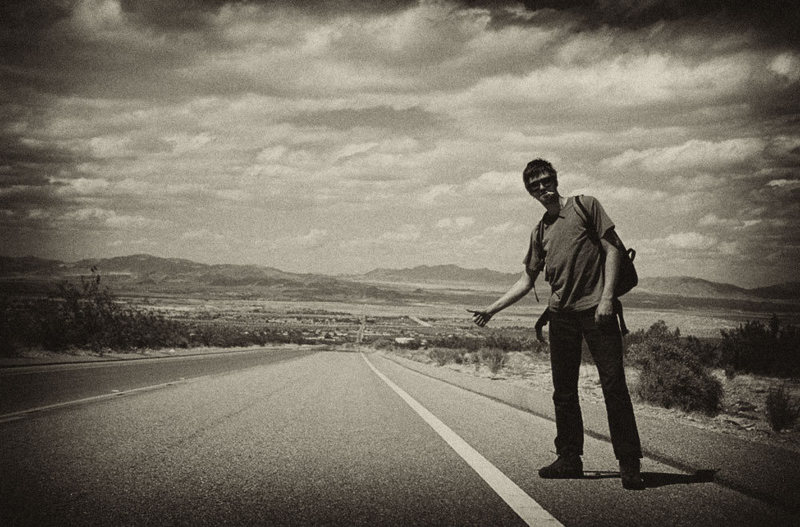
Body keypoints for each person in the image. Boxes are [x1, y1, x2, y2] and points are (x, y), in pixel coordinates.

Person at [468, 158, 645, 490]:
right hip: (561, 316)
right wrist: (492, 310)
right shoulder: (540, 231)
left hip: (598, 311)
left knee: (614, 387)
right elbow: (526, 281)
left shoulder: (584, 206)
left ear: (556, 179)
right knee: (564, 392)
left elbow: (613, 251)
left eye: (546, 181)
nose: (542, 189)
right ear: (530, 192)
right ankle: (569, 458)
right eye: (534, 186)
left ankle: (629, 462)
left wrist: (607, 297)